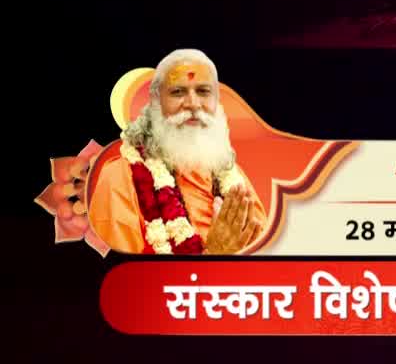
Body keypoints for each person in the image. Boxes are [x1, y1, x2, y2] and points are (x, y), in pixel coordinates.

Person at [87, 49, 269, 255]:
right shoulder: (119, 179)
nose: (192, 104)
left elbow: (268, 256)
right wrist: (215, 254)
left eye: (203, 91)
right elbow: (125, 280)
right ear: (156, 103)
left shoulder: (233, 179)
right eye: (177, 92)